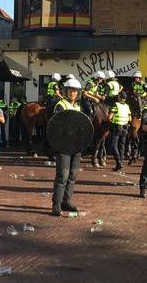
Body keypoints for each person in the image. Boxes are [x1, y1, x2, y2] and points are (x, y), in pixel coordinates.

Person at [51, 78, 85, 216]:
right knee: (62, 175)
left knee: (73, 175)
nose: (73, 93)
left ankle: (66, 201)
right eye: (71, 91)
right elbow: (56, 125)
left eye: (75, 91)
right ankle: (56, 204)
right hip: (64, 146)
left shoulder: (78, 106)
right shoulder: (60, 105)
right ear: (65, 91)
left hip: (76, 146)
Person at [108, 91, 131, 172]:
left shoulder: (116, 104)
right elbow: (130, 118)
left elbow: (109, 117)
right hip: (125, 128)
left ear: (119, 97)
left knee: (113, 145)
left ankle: (118, 162)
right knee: (122, 146)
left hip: (117, 127)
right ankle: (120, 163)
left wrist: (111, 119)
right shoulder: (127, 106)